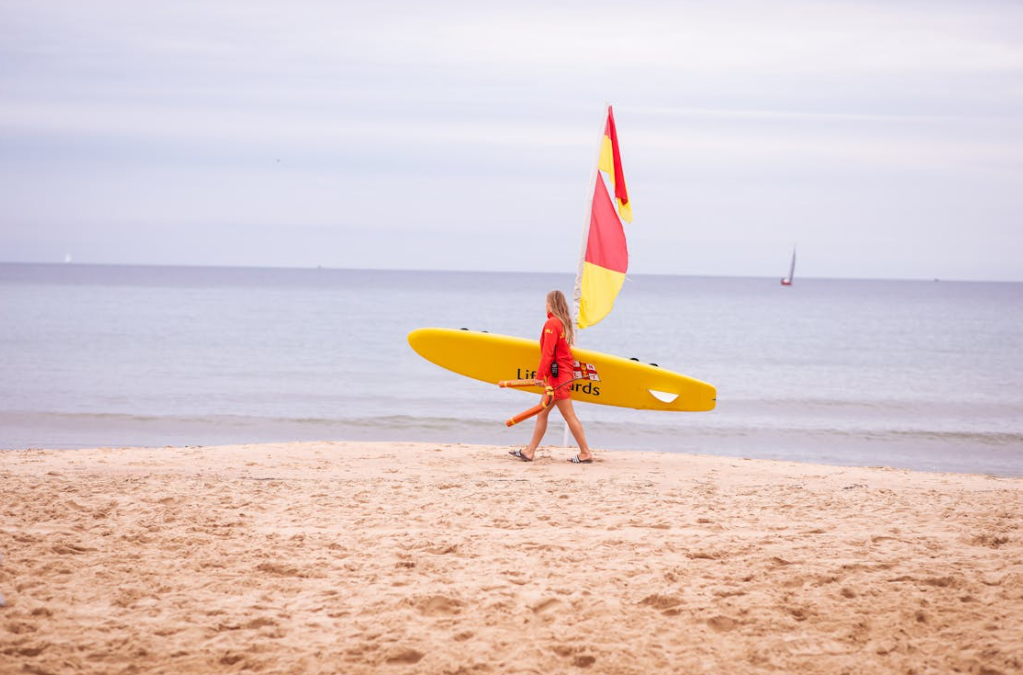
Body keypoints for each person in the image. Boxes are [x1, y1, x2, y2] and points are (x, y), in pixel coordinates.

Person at [509, 290, 594, 463]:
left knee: (568, 415)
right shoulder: (562, 323)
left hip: (558, 378)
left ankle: (585, 452)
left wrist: (539, 376)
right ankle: (529, 451)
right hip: (560, 375)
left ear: (551, 304)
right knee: (542, 413)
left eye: (546, 302)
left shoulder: (551, 324)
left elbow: (547, 353)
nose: (545, 305)